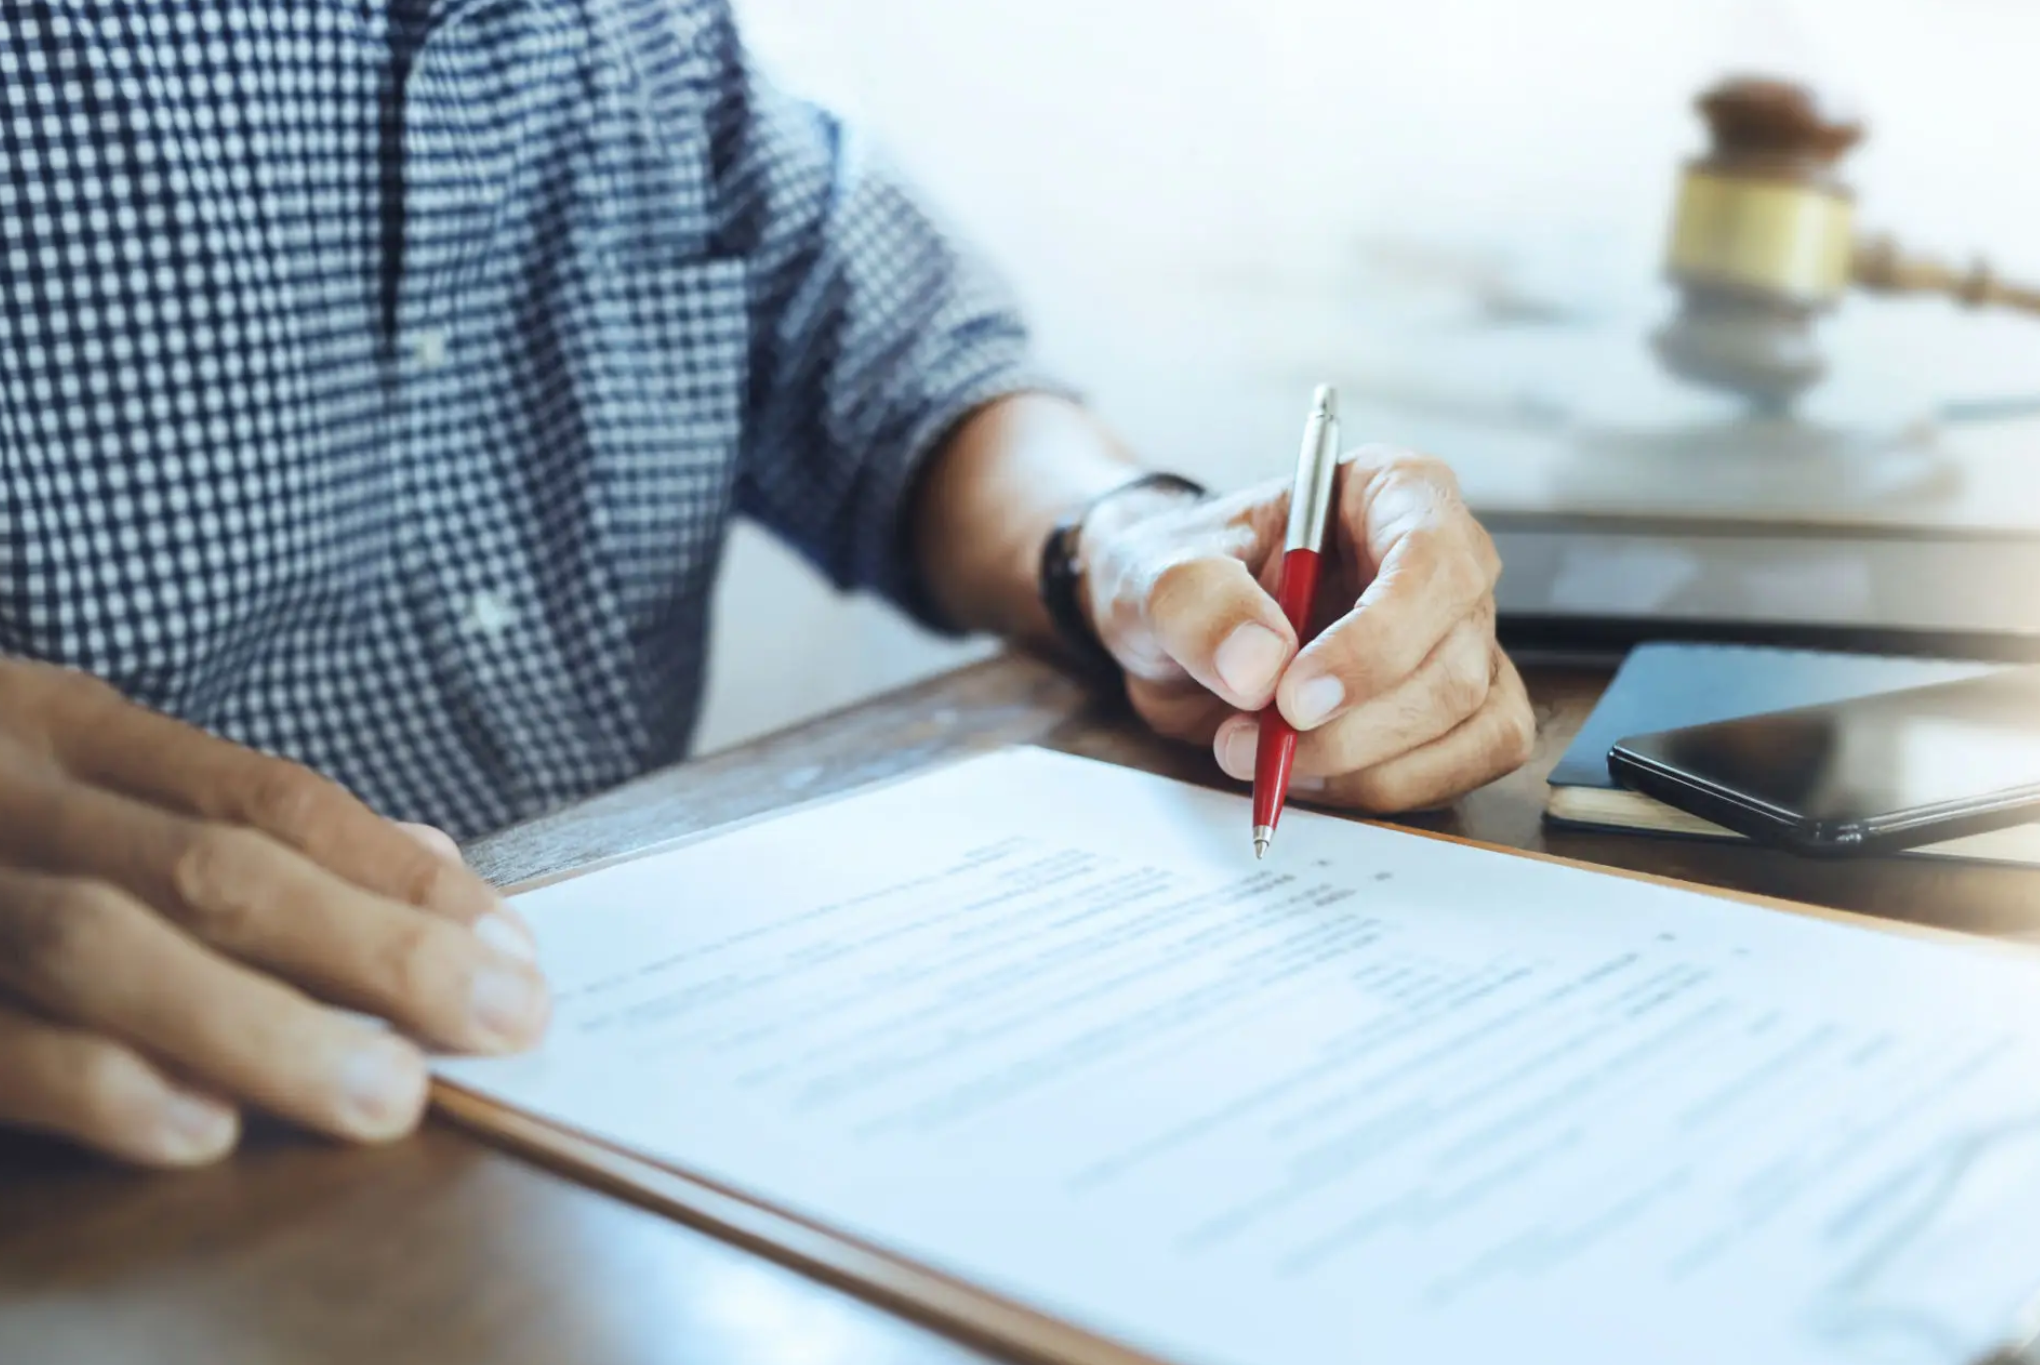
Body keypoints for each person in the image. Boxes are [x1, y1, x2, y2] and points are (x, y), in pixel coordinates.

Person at [0, 1, 1534, 1168]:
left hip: (622, 1093)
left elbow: (916, 389)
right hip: (143, 1123)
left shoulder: (643, 34)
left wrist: (1130, 544)